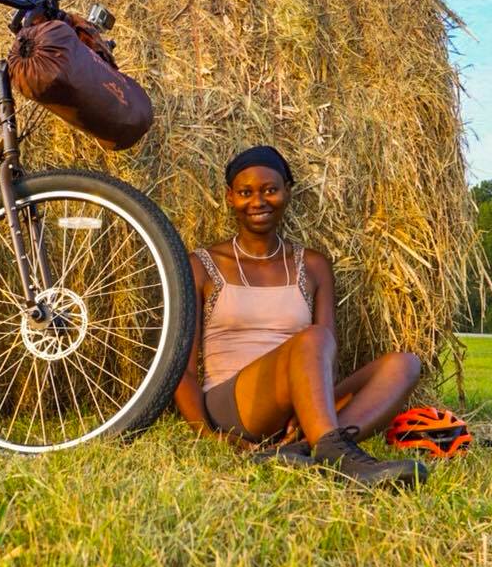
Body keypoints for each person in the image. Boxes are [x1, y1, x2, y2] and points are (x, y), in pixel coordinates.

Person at [173, 145, 428, 487]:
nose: (258, 202)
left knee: (405, 364)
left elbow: (327, 358)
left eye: (270, 190)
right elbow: (182, 367)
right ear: (230, 197)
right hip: (234, 403)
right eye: (245, 192)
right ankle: (340, 457)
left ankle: (306, 448)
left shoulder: (313, 265)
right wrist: (208, 436)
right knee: (314, 336)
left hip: (300, 404)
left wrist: (305, 402)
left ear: (287, 191)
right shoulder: (202, 264)